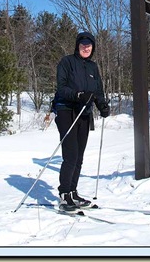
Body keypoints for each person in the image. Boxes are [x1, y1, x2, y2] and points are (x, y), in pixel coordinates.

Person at [53, 31, 110, 211]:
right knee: (70, 155)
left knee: (79, 157)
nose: (86, 48)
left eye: (89, 45)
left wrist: (102, 106)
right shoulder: (67, 62)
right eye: (83, 44)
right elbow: (61, 88)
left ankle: (73, 192)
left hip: (84, 113)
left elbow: (97, 91)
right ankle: (64, 194)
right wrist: (78, 95)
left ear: (93, 48)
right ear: (77, 46)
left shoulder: (93, 67)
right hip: (66, 110)